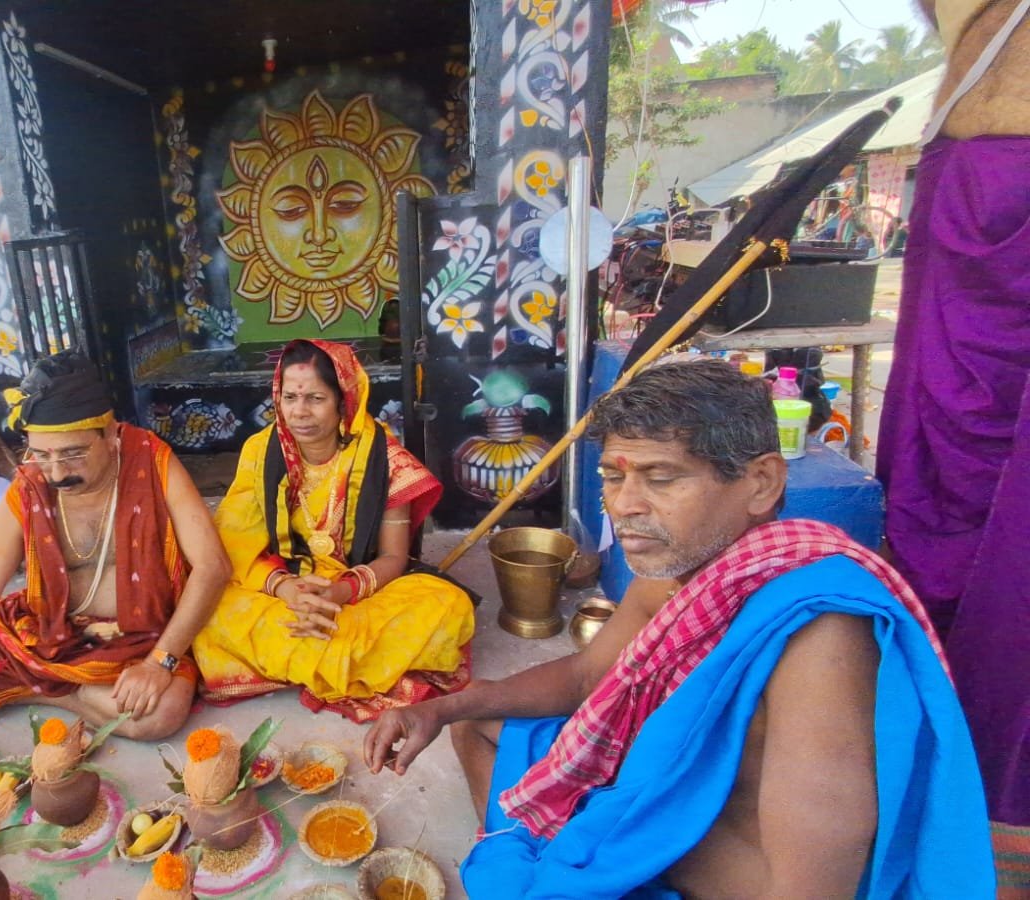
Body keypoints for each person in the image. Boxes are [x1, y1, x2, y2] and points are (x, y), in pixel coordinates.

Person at [363, 359, 992, 897]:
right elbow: (587, 676)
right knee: (475, 721)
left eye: (661, 478)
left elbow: (811, 880)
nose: (625, 505)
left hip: (683, 863)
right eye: (614, 477)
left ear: (761, 483)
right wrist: (442, 706)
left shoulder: (818, 636)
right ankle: (525, 853)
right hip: (638, 799)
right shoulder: (681, 568)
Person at [880, 1, 1030, 885]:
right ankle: (935, 773)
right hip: (967, 188)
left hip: (984, 176)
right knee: (934, 500)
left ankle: (994, 827)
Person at [0, 352, 230, 742]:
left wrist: (159, 662)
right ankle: (68, 690)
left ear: (111, 434)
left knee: (160, 714)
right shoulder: (30, 486)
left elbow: (212, 566)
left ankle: (42, 687)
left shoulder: (152, 460)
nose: (56, 473)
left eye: (73, 454)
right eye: (41, 455)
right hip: (49, 634)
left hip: (142, 640)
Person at [192, 339, 474, 722]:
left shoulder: (384, 458)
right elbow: (234, 540)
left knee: (446, 604)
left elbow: (394, 557)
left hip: (360, 591)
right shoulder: (262, 450)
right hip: (285, 585)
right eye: (290, 397)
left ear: (344, 400)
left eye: (315, 398)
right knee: (209, 602)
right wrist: (285, 588)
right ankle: (342, 660)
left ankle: (305, 657)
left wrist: (339, 593)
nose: (299, 412)